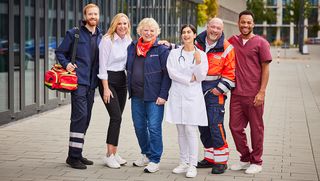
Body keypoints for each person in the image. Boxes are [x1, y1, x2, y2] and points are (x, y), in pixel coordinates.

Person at [55, 3, 102, 169]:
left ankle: (77, 152)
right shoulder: (74, 34)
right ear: (85, 16)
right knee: (79, 117)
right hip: (78, 82)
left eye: (95, 14)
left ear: (99, 16)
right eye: (90, 14)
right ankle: (73, 157)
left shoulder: (101, 37)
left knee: (86, 118)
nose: (93, 17)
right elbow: (60, 52)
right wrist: (67, 64)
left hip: (91, 85)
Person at [228, 10, 272, 174]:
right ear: (238, 23)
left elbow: (266, 69)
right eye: (242, 22)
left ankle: (257, 161)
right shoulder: (232, 41)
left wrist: (262, 92)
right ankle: (245, 157)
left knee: (256, 128)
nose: (245, 25)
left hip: (254, 94)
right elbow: (211, 42)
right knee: (234, 127)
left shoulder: (261, 43)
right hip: (237, 94)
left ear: (253, 24)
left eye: (248, 22)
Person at [126, 18, 171, 173]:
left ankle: (155, 159)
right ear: (140, 31)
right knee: (139, 126)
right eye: (146, 29)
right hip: (137, 95)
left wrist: (163, 94)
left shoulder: (161, 49)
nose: (149, 33)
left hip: (155, 96)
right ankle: (146, 154)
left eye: (152, 30)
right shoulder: (132, 47)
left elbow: (167, 74)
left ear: (157, 32)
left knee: (153, 128)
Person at [165, 24, 208, 178]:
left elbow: (202, 76)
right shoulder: (174, 53)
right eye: (183, 32)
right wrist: (190, 79)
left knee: (190, 129)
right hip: (177, 95)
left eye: (189, 32)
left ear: (195, 35)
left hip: (193, 97)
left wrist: (197, 63)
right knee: (180, 130)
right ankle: (183, 162)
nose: (186, 35)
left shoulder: (201, 55)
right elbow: (172, 72)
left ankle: (192, 164)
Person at [194, 17, 236, 174]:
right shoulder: (197, 42)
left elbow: (231, 74)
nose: (215, 30)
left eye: (218, 28)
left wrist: (219, 90)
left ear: (222, 30)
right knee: (203, 126)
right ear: (207, 26)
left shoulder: (227, 48)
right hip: (196, 91)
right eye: (212, 27)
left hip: (215, 92)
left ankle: (221, 161)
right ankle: (210, 158)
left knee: (215, 125)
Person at [98, 13, 132, 169]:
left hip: (122, 81)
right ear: (114, 25)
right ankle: (109, 156)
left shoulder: (129, 41)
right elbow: (102, 66)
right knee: (116, 117)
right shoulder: (106, 41)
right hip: (108, 81)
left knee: (118, 118)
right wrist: (105, 88)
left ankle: (114, 153)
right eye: (120, 23)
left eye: (125, 23)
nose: (123, 26)